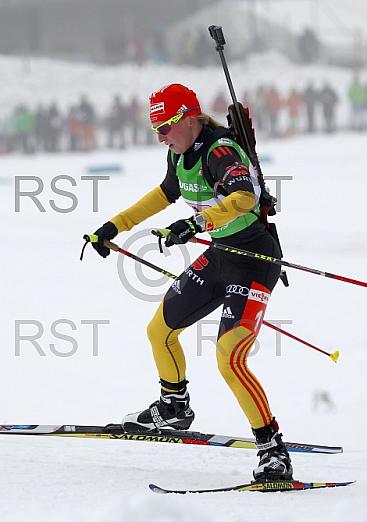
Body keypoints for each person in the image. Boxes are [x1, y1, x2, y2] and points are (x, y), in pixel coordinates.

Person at [87, 83, 292, 482]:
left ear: (189, 118)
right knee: (159, 330)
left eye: (165, 127)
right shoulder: (178, 153)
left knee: (229, 356)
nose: (160, 136)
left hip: (253, 259)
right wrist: (114, 225)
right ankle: (174, 406)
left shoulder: (220, 150)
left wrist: (196, 221)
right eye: (156, 130)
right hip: (220, 257)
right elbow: (164, 194)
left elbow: (245, 198)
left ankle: (273, 450)